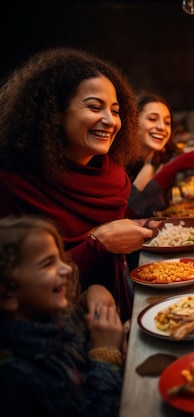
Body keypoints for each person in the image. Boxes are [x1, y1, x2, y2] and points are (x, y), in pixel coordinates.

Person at [0, 47, 157, 322]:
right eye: (95, 107)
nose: (110, 121)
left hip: (114, 315)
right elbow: (14, 286)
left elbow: (121, 233)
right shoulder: (12, 182)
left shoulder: (113, 175)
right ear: (55, 112)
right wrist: (97, 244)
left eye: (116, 110)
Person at [0, 216, 125, 417]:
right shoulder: (16, 376)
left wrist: (97, 291)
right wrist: (106, 356)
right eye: (48, 263)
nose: (67, 268)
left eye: (61, 258)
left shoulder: (52, 319)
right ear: (6, 295)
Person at [126, 92, 194, 217]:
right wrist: (173, 167)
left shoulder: (162, 157)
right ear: (132, 122)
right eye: (152, 119)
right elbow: (129, 212)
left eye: (167, 122)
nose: (162, 127)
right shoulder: (117, 163)